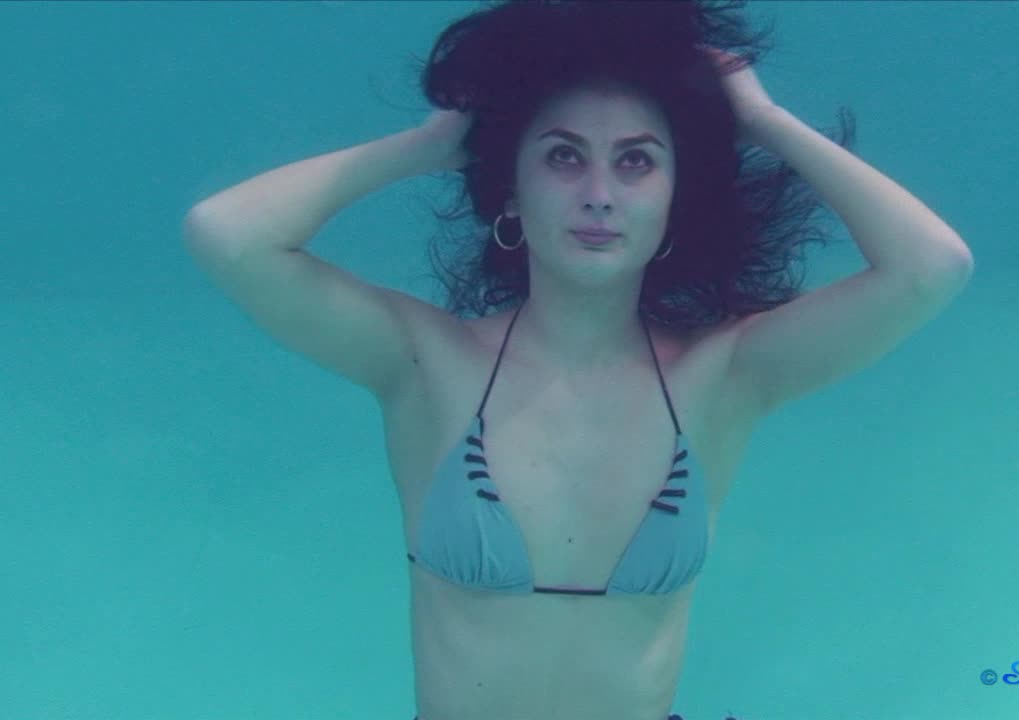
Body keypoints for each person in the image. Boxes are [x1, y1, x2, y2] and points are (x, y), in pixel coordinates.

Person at [182, 2, 973, 718]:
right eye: (564, 157)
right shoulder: (426, 362)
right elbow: (227, 235)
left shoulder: (722, 377)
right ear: (511, 188)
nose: (599, 193)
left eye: (636, 162)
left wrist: (762, 119)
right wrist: (427, 146)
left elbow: (931, 268)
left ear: (676, 197)